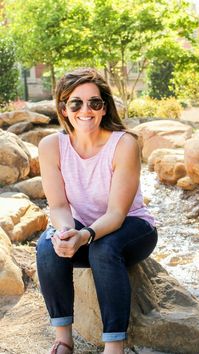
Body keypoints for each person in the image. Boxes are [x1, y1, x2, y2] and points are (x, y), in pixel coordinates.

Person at [36, 67, 158, 354]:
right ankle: (64, 340)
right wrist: (67, 233)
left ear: (104, 108)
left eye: (94, 102)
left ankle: (114, 345)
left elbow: (116, 213)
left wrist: (85, 235)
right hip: (82, 227)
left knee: (103, 248)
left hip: (131, 228)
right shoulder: (51, 146)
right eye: (76, 103)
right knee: (47, 245)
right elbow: (58, 206)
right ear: (64, 109)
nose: (85, 110)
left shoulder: (124, 143)